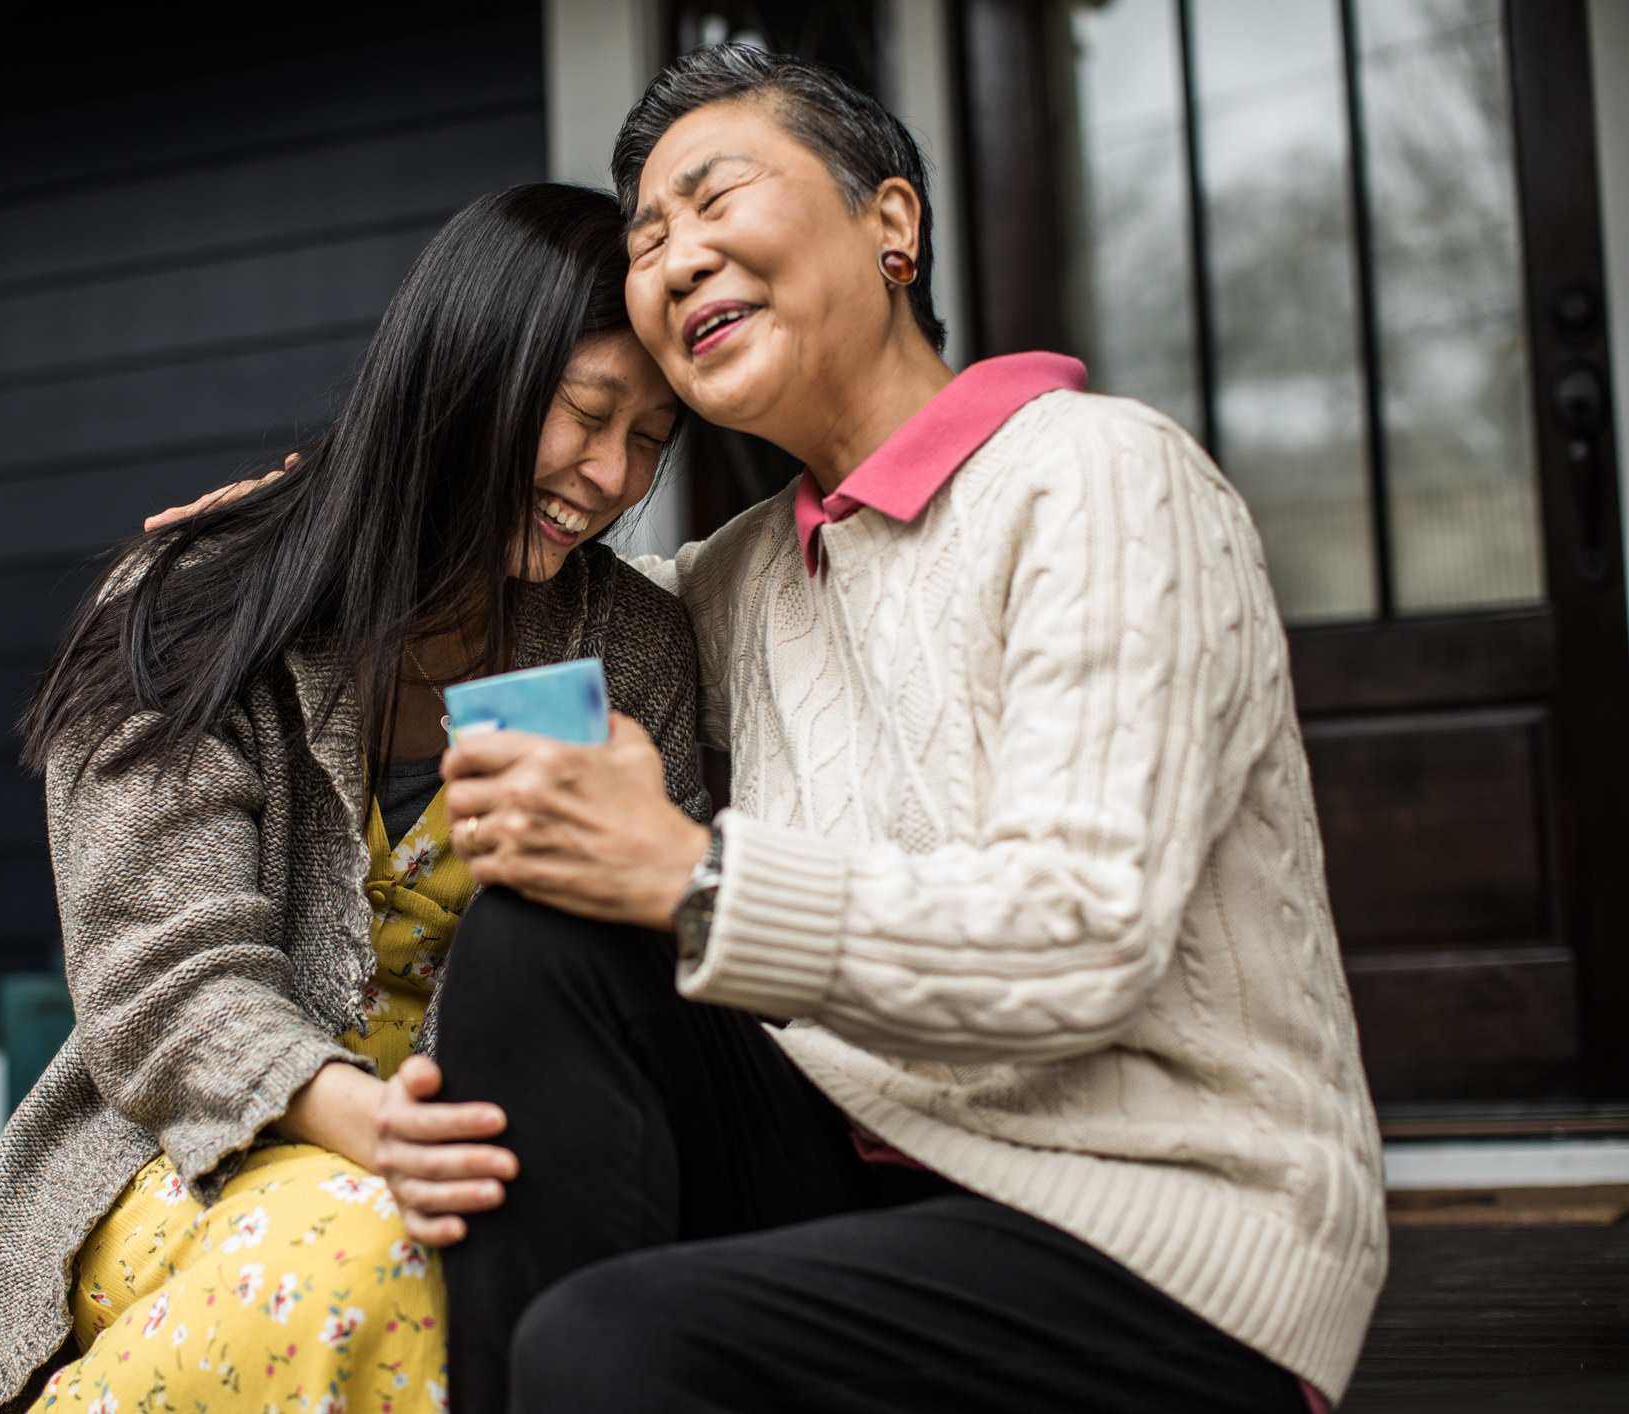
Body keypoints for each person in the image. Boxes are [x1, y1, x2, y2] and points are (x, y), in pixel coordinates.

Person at [406, 46, 1384, 1414]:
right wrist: (312, 525)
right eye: (648, 237)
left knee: (613, 1342)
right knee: (537, 932)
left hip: (1153, 1227)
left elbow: (1085, 928)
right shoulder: (739, 577)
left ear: (891, 223)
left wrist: (692, 877)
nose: (677, 259)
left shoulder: (1097, 477)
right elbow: (494, 590)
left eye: (714, 195)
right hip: (863, 1172)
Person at [0, 183, 709, 1414]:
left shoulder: (632, 652)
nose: (611, 473)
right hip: (182, 1152)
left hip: (488, 1171)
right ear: (466, 373)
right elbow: (163, 977)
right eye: (584, 414)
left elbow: (645, 973)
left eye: (653, 439)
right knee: (372, 1259)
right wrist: (368, 1124)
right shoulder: (200, 603)